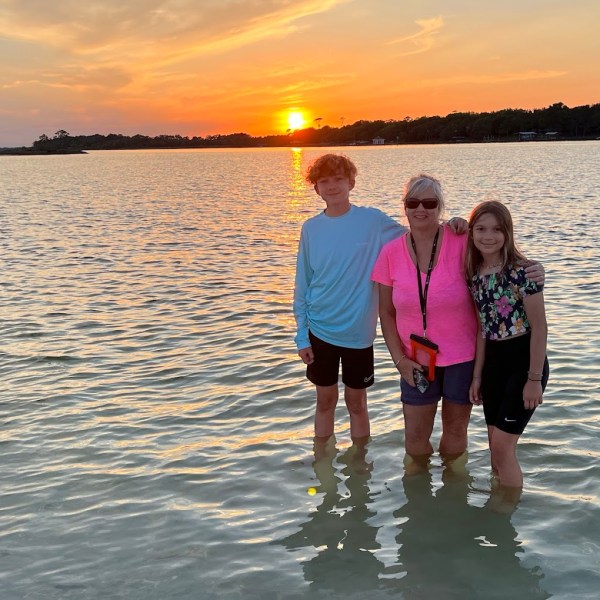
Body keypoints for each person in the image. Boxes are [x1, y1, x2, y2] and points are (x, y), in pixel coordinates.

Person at [370, 175, 545, 467]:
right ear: (404, 207)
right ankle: (418, 498)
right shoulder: (389, 253)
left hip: (463, 358)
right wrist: (399, 360)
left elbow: (499, 255)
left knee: (454, 431)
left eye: (430, 202)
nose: (421, 209)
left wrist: (535, 269)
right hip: (415, 359)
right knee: (415, 436)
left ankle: (454, 495)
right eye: (413, 202)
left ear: (441, 207)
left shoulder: (462, 240)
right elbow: (385, 313)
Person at [293, 156, 466, 443]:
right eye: (324, 181)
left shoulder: (372, 220)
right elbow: (303, 283)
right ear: (316, 189)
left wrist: (453, 224)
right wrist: (302, 336)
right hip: (319, 330)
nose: (332, 186)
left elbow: (417, 229)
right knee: (324, 402)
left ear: (352, 182)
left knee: (357, 404)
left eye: (338, 179)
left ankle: (360, 468)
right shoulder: (310, 228)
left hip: (359, 334)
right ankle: (322, 462)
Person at [467, 201, 549, 489]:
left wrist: (534, 379)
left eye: (497, 229)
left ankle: (507, 511)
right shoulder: (474, 274)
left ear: (508, 233)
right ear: (471, 232)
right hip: (493, 363)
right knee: (493, 447)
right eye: (481, 229)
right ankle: (498, 502)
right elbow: (481, 329)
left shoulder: (523, 272)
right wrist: (477, 377)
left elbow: (540, 328)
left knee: (503, 447)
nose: (488, 236)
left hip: (523, 361)